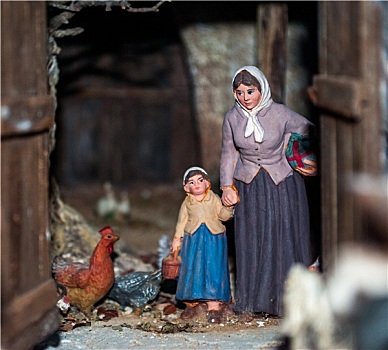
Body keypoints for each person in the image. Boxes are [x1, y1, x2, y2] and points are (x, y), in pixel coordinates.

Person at [220, 66, 317, 321]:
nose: (244, 97)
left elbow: (310, 129)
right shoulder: (232, 118)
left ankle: (287, 300)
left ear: (261, 89)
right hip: (250, 185)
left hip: (281, 183)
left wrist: (300, 154)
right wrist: (226, 186)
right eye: (239, 92)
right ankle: (253, 299)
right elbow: (229, 153)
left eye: (250, 91)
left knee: (282, 234)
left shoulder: (281, 113)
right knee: (253, 238)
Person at [171, 166, 234, 324]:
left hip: (213, 238)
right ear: (187, 187)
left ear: (207, 183)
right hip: (193, 239)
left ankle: (214, 305)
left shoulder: (213, 199)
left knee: (213, 268)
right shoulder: (187, 203)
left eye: (200, 180)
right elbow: (181, 222)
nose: (197, 184)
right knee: (193, 268)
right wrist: (177, 238)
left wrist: (229, 207)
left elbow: (223, 216)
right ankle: (194, 302)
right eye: (192, 182)